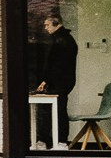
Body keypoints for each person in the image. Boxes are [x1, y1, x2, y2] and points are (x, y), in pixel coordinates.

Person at [33, 12, 79, 146]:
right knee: (56, 110)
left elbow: (56, 64)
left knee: (56, 110)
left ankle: (58, 141)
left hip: (60, 82)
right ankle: (57, 141)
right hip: (63, 81)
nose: (46, 28)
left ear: (56, 24)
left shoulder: (61, 41)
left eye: (47, 25)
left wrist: (46, 80)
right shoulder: (65, 39)